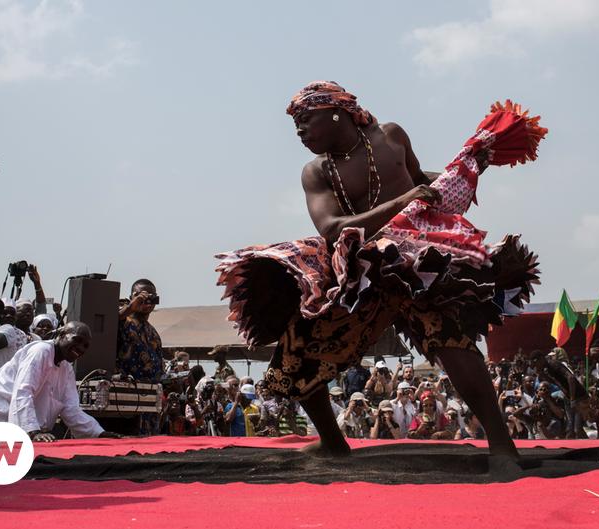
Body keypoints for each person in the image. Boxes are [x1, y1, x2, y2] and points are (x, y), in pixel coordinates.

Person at [215, 81, 544, 460]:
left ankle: (503, 448)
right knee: (299, 347)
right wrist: (401, 202)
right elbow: (332, 228)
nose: (300, 132)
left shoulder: (391, 135)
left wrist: (468, 167)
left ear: (336, 111)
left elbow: (420, 180)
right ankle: (333, 442)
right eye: (296, 126)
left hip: (415, 259)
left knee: (448, 337)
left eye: (306, 120)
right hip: (357, 269)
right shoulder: (316, 172)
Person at [0, 322, 121, 443]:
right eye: (77, 340)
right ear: (62, 334)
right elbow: (23, 392)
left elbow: (71, 409)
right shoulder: (41, 350)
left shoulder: (66, 368)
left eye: (85, 346)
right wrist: (33, 432)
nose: (80, 348)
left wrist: (98, 433)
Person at [117, 278, 164, 435]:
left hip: (150, 401)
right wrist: (131, 306)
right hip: (126, 400)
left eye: (151, 296)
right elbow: (111, 319)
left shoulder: (153, 333)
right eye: (140, 295)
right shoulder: (124, 321)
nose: (146, 300)